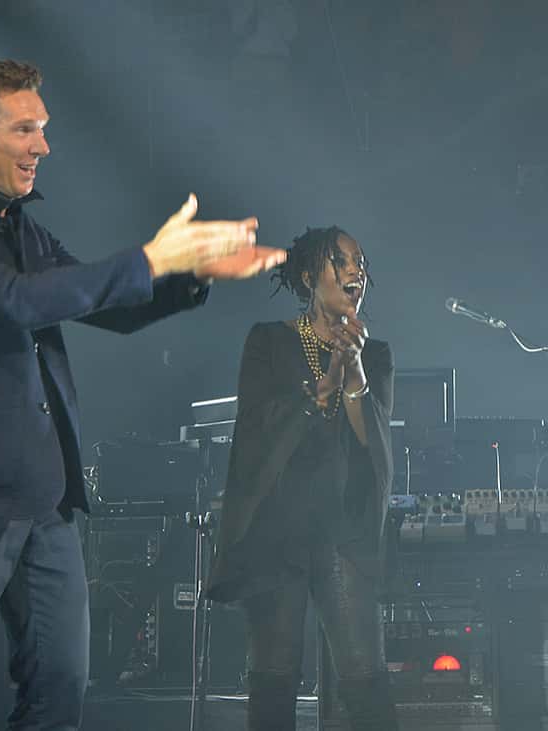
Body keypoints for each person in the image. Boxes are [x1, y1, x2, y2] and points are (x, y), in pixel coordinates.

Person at [0, 57, 284, 730]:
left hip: (48, 504)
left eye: (43, 128)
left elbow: (105, 304)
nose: (42, 146)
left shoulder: (23, 229)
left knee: (61, 692)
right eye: (24, 129)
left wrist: (189, 274)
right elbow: (17, 301)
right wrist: (151, 258)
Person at [204, 227, 398, 730]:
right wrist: (323, 385)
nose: (356, 272)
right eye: (342, 261)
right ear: (310, 277)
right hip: (276, 533)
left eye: (361, 262)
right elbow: (257, 431)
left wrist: (353, 370)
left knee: (365, 682)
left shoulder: (375, 354)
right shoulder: (268, 342)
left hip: (342, 533)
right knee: (273, 682)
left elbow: (374, 447)